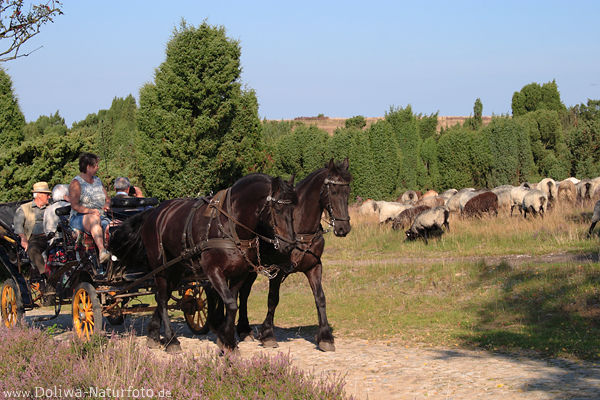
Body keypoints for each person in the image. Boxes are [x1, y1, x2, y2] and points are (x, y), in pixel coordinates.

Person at [69, 152, 111, 264]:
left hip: (101, 215)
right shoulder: (76, 183)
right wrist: (91, 211)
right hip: (80, 217)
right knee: (94, 219)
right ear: (88, 167)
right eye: (96, 165)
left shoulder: (98, 181)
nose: (98, 167)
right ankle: (102, 251)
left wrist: (107, 204)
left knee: (113, 227)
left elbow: (107, 198)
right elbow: (75, 205)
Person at [13, 182, 52, 284]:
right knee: (32, 249)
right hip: (35, 239)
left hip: (52, 237)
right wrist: (23, 238)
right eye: (47, 194)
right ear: (39, 195)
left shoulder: (51, 208)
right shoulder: (24, 208)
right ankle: (46, 274)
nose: (49, 196)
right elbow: (18, 226)